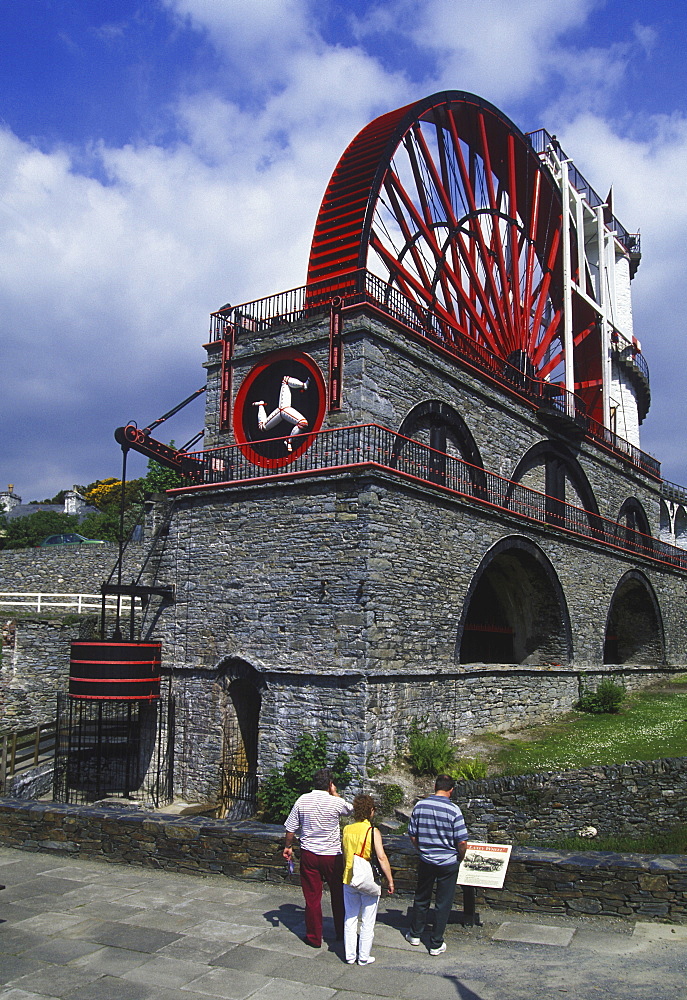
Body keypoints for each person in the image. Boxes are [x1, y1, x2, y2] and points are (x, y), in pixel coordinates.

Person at [283, 767, 352, 948]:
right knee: (338, 895)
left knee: (312, 897)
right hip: (331, 855)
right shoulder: (336, 802)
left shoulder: (302, 800)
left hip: (310, 854)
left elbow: (290, 828)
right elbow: (351, 810)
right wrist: (336, 794)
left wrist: (288, 846)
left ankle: (314, 937)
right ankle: (341, 932)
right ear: (330, 785)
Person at [405, 774, 468, 956]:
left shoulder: (420, 806)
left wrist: (422, 850)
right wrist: (460, 857)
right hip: (448, 861)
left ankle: (415, 934)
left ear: (435, 786)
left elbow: (412, 834)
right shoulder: (454, 810)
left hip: (426, 859)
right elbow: (462, 841)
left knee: (422, 896)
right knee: (443, 902)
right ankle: (435, 942)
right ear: (451, 790)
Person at [341, 794, 395, 966]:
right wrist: (390, 880)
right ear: (371, 811)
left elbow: (344, 855)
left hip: (349, 877)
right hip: (367, 879)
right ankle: (363, 956)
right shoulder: (372, 831)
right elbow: (381, 857)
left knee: (350, 918)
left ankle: (349, 955)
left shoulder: (347, 830)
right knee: (368, 919)